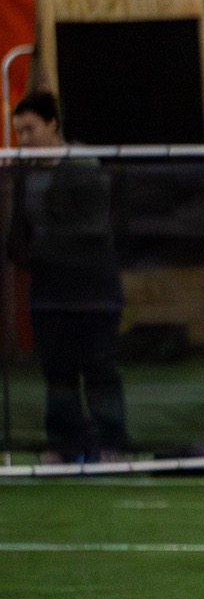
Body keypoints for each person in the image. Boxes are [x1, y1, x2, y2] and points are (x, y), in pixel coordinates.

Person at [7, 92, 128, 463]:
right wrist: (21, 251)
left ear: (51, 124)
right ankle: (62, 443)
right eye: (18, 132)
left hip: (93, 286)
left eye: (30, 129)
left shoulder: (85, 166)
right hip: (48, 289)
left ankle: (112, 443)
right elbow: (20, 229)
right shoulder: (23, 172)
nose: (23, 140)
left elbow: (89, 229)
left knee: (99, 364)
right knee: (56, 369)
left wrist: (42, 250)